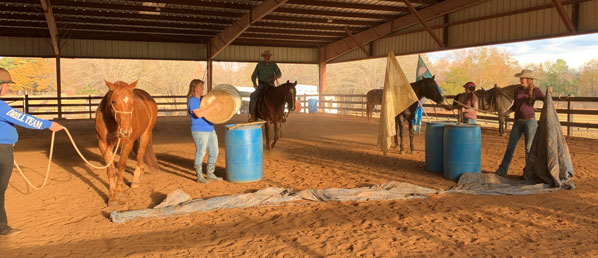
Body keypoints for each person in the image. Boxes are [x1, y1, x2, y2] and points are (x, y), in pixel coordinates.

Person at [0, 67, 63, 236]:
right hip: (2, 150)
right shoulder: (1, 106)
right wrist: (48, 124)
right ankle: (1, 227)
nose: (8, 88)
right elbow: (22, 119)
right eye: (5, 85)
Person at [495, 69, 552, 176]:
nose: (521, 79)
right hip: (518, 122)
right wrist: (505, 113)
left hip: (530, 122)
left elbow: (547, 100)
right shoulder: (517, 89)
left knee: (528, 148)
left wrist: (550, 93)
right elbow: (515, 106)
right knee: (510, 146)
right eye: (521, 78)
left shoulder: (536, 90)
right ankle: (502, 170)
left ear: (528, 79)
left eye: (523, 78)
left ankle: (529, 173)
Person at [186, 79, 223, 183]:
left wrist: (216, 102)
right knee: (201, 152)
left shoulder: (204, 99)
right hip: (199, 130)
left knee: (214, 152)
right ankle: (199, 176)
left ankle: (210, 174)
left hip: (210, 128)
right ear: (195, 88)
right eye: (201, 87)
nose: (203, 89)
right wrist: (212, 107)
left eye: (202, 86)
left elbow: (215, 100)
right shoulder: (192, 100)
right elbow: (199, 114)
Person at [248, 50, 282, 122]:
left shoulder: (273, 64)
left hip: (271, 85)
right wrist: (254, 83)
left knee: (281, 95)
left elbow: (279, 73)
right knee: (253, 96)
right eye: (267, 56)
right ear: (264, 57)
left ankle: (281, 114)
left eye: (269, 56)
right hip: (262, 85)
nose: (268, 57)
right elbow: (253, 75)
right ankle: (252, 115)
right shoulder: (259, 65)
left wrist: (276, 76)